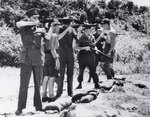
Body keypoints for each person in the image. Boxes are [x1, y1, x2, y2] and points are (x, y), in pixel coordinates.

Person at [15, 8, 52, 115]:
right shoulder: (24, 26)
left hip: (38, 58)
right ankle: (20, 107)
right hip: (26, 58)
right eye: (34, 17)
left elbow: (48, 38)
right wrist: (33, 23)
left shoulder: (40, 27)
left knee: (38, 84)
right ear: (29, 18)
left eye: (37, 18)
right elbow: (18, 23)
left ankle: (38, 106)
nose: (36, 19)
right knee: (24, 84)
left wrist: (51, 27)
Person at [55, 21, 78, 98]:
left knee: (70, 73)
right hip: (62, 51)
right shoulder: (60, 29)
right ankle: (59, 92)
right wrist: (66, 30)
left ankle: (70, 91)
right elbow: (58, 37)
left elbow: (78, 39)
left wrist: (78, 31)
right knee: (61, 74)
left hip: (70, 51)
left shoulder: (72, 30)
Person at [42, 19, 60, 102]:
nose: (59, 27)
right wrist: (56, 59)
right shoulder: (53, 35)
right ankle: (51, 95)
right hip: (52, 56)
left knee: (46, 76)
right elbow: (52, 49)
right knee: (52, 77)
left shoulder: (45, 35)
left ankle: (44, 95)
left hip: (46, 56)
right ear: (53, 26)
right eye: (57, 26)